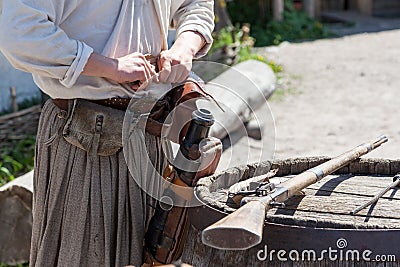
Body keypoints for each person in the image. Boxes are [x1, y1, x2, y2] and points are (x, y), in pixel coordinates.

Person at [0, 0, 214, 266]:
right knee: (82, 256)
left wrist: (184, 48)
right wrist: (110, 67)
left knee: (148, 255)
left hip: (150, 132)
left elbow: (196, 4)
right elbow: (19, 31)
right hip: (83, 138)